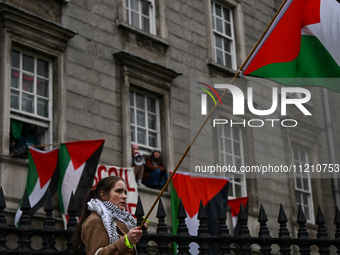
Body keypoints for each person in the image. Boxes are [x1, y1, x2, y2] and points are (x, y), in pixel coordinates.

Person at [73, 176, 148, 255]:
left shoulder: (123, 219)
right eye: (119, 191)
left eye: (125, 192)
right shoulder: (95, 220)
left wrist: (139, 225)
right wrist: (126, 241)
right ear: (103, 195)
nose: (124, 196)